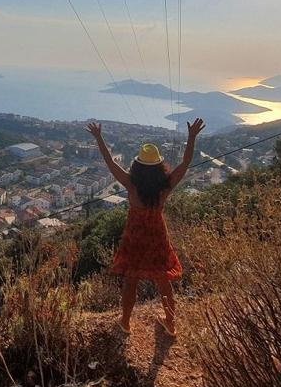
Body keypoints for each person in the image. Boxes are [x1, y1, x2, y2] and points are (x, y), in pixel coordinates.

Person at [85, 118, 205, 337]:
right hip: (157, 236)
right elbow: (186, 163)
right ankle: (170, 324)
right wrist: (191, 137)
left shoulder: (131, 185)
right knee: (163, 280)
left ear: (137, 166)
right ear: (159, 166)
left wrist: (99, 137)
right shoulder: (165, 187)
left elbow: (110, 162)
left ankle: (125, 322)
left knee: (131, 280)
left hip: (135, 237)